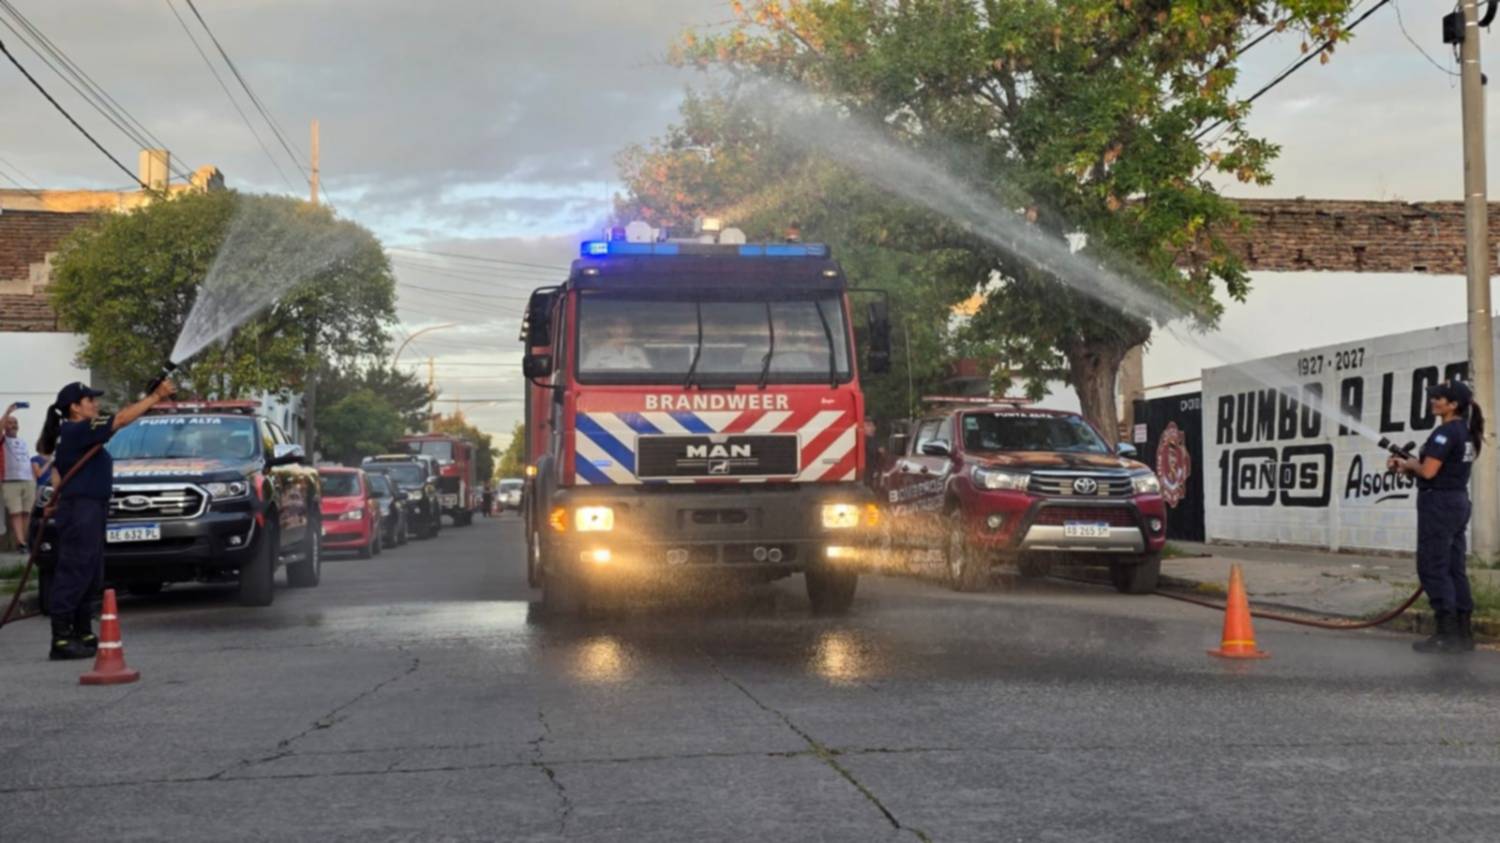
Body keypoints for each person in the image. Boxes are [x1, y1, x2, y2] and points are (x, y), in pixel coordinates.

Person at [37, 378, 175, 661]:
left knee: (90, 572)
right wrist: (156, 397)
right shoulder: (79, 429)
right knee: (75, 571)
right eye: (90, 400)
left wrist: (57, 501)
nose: (96, 404)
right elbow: (121, 419)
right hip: (82, 510)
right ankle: (61, 638)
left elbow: (61, 471)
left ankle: (82, 631)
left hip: (86, 507)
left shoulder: (77, 433)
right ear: (75, 407)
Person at [1388, 380, 1484, 654]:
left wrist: (1408, 463)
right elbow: (1442, 469)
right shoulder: (1465, 431)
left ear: (1453, 405)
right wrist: (1407, 467)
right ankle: (1463, 634)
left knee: (1433, 567)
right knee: (1454, 568)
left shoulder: (1445, 433)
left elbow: (1429, 472)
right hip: (1457, 501)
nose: (1433, 401)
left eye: (1438, 398)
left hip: (1439, 504)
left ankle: (1447, 635)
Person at [2, 404, 36, 553]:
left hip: (28, 480)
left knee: (27, 512)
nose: (13, 425)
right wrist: (8, 412)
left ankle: (25, 540)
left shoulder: (22, 442)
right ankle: (20, 542)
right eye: (9, 422)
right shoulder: (3, 441)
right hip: (10, 481)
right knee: (15, 512)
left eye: (15, 422)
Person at [582, 315, 650, 370]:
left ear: (630, 329)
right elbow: (586, 374)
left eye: (625, 326)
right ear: (609, 329)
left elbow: (647, 373)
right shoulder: (596, 352)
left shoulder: (637, 351)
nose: (621, 330)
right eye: (616, 326)